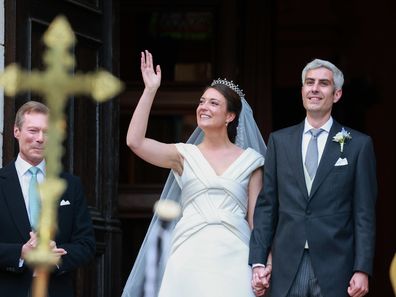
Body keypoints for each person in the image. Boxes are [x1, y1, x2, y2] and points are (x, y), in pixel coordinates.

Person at [121, 50, 267, 297]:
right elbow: (135, 142)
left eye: (213, 103)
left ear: (230, 116)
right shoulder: (183, 155)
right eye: (201, 101)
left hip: (235, 256)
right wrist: (150, 90)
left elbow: (256, 221)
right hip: (189, 255)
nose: (203, 107)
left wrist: (264, 264)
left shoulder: (251, 161)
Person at [249, 58, 377, 297]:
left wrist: (362, 268)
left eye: (323, 83)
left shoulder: (358, 145)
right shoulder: (279, 141)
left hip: (336, 266)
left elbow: (364, 213)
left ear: (337, 94)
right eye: (309, 83)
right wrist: (258, 260)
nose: (315, 88)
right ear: (302, 91)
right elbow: (267, 206)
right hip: (287, 264)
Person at [0, 101, 96, 297]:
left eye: (47, 132)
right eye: (33, 130)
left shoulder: (70, 184)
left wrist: (57, 254)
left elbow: (86, 244)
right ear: (16, 131)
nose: (40, 139)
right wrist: (20, 252)